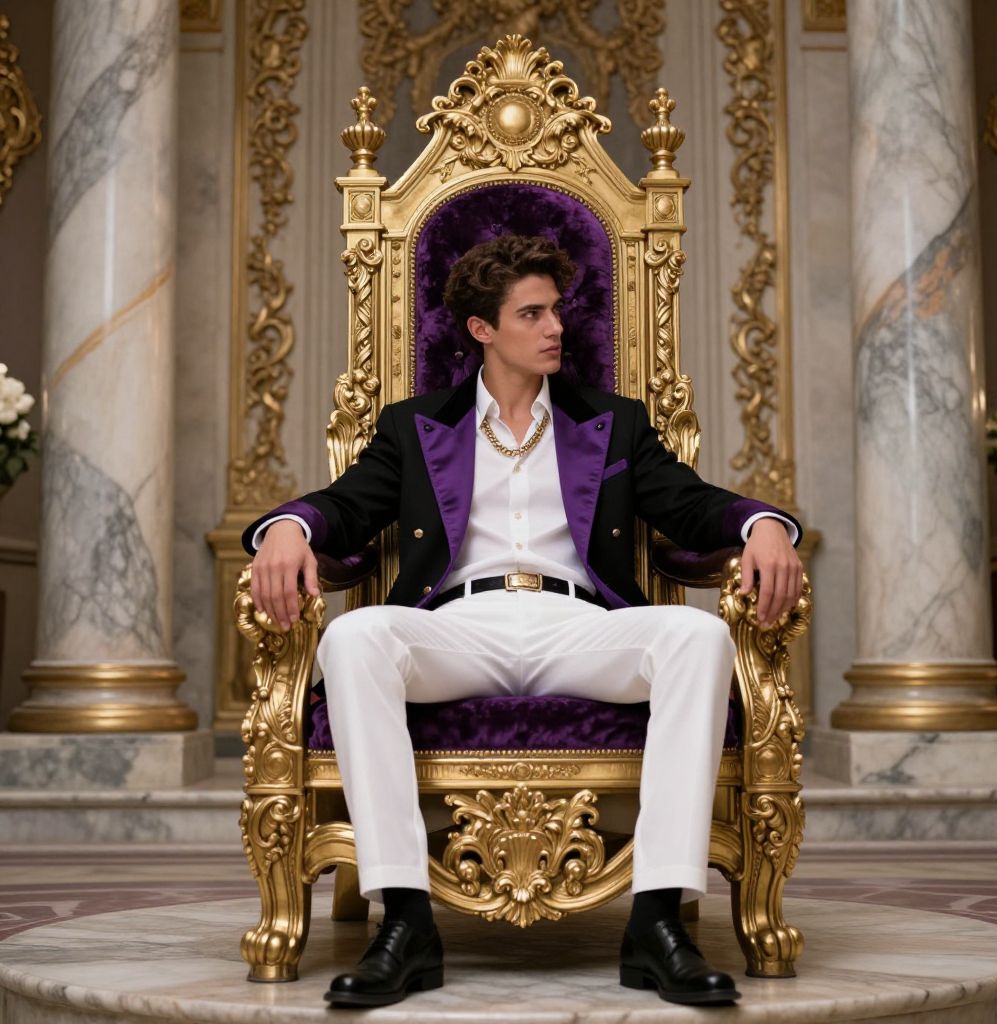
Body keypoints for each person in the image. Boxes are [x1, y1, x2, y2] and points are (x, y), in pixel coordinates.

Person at [243, 234, 803, 1009]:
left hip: (578, 624)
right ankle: (405, 922)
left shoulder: (611, 423)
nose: (555, 328)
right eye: (531, 314)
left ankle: (656, 923)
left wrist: (761, 522)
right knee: (353, 635)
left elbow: (688, 503)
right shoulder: (415, 426)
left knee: (699, 635)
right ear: (482, 329)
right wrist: (288, 526)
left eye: (556, 310)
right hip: (457, 626)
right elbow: (348, 505)